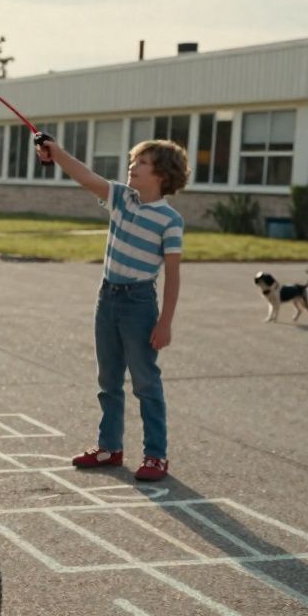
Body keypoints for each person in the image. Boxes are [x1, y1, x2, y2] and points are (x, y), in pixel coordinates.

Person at [34, 133, 187, 482]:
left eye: (142, 162)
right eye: (133, 160)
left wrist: (165, 323)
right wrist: (57, 152)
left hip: (139, 303)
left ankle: (156, 455)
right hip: (108, 297)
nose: (133, 166)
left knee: (145, 382)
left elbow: (173, 275)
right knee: (108, 379)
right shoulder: (121, 198)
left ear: (162, 174)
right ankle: (109, 447)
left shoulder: (170, 220)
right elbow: (85, 176)